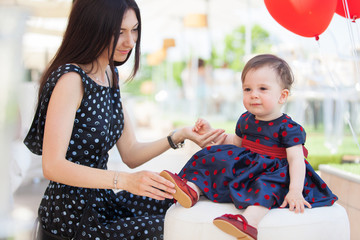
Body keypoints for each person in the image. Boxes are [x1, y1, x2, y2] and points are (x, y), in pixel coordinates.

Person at [23, 0, 224, 239]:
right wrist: (125, 182)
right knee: (171, 228)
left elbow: (130, 153)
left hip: (103, 202)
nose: (130, 41)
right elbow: (52, 166)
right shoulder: (71, 79)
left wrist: (178, 135)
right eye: (119, 32)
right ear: (92, 27)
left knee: (178, 202)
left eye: (134, 29)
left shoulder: (110, 73)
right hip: (72, 216)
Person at [160, 54, 338, 240]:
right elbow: (235, 142)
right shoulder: (246, 119)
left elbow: (296, 160)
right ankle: (193, 189)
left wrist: (295, 191)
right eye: (247, 89)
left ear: (282, 95)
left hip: (275, 171)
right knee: (213, 156)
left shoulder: (288, 128)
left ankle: (248, 223)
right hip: (249, 165)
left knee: (267, 186)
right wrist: (211, 131)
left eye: (262, 89)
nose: (254, 94)